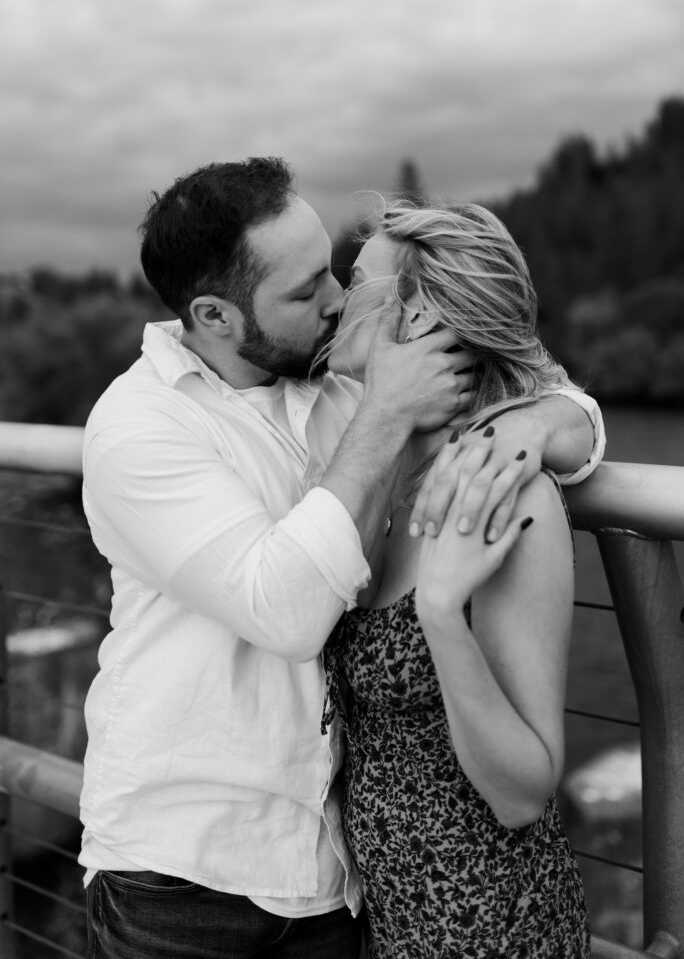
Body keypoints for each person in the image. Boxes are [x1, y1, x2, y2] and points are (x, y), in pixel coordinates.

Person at [79, 158, 603, 959]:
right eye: (304, 291)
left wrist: (541, 424)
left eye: (337, 274)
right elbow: (288, 611)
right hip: (183, 881)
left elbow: (552, 394)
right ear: (214, 315)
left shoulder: (348, 395)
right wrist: (390, 412)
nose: (329, 300)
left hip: (346, 892)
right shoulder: (142, 425)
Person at [322, 201, 593, 958]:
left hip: (491, 931)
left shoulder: (502, 493)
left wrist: (441, 612)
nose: (338, 302)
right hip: (396, 926)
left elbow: (524, 792)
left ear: (420, 321)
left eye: (358, 282)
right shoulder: (380, 464)